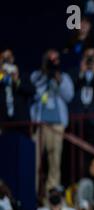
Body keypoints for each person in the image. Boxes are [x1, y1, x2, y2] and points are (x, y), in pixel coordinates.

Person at [30, 49, 74, 192]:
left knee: (55, 162)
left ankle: (52, 195)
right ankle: (33, 193)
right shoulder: (37, 76)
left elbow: (69, 96)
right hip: (40, 125)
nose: (54, 62)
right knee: (34, 161)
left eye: (56, 59)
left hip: (57, 125)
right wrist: (45, 75)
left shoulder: (63, 77)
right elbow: (34, 92)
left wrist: (58, 79)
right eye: (51, 59)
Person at [0, 49, 35, 135]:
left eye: (8, 58)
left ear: (13, 58)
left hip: (21, 123)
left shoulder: (22, 75)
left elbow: (32, 91)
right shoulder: (0, 76)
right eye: (3, 58)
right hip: (3, 123)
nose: (6, 61)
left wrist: (17, 81)